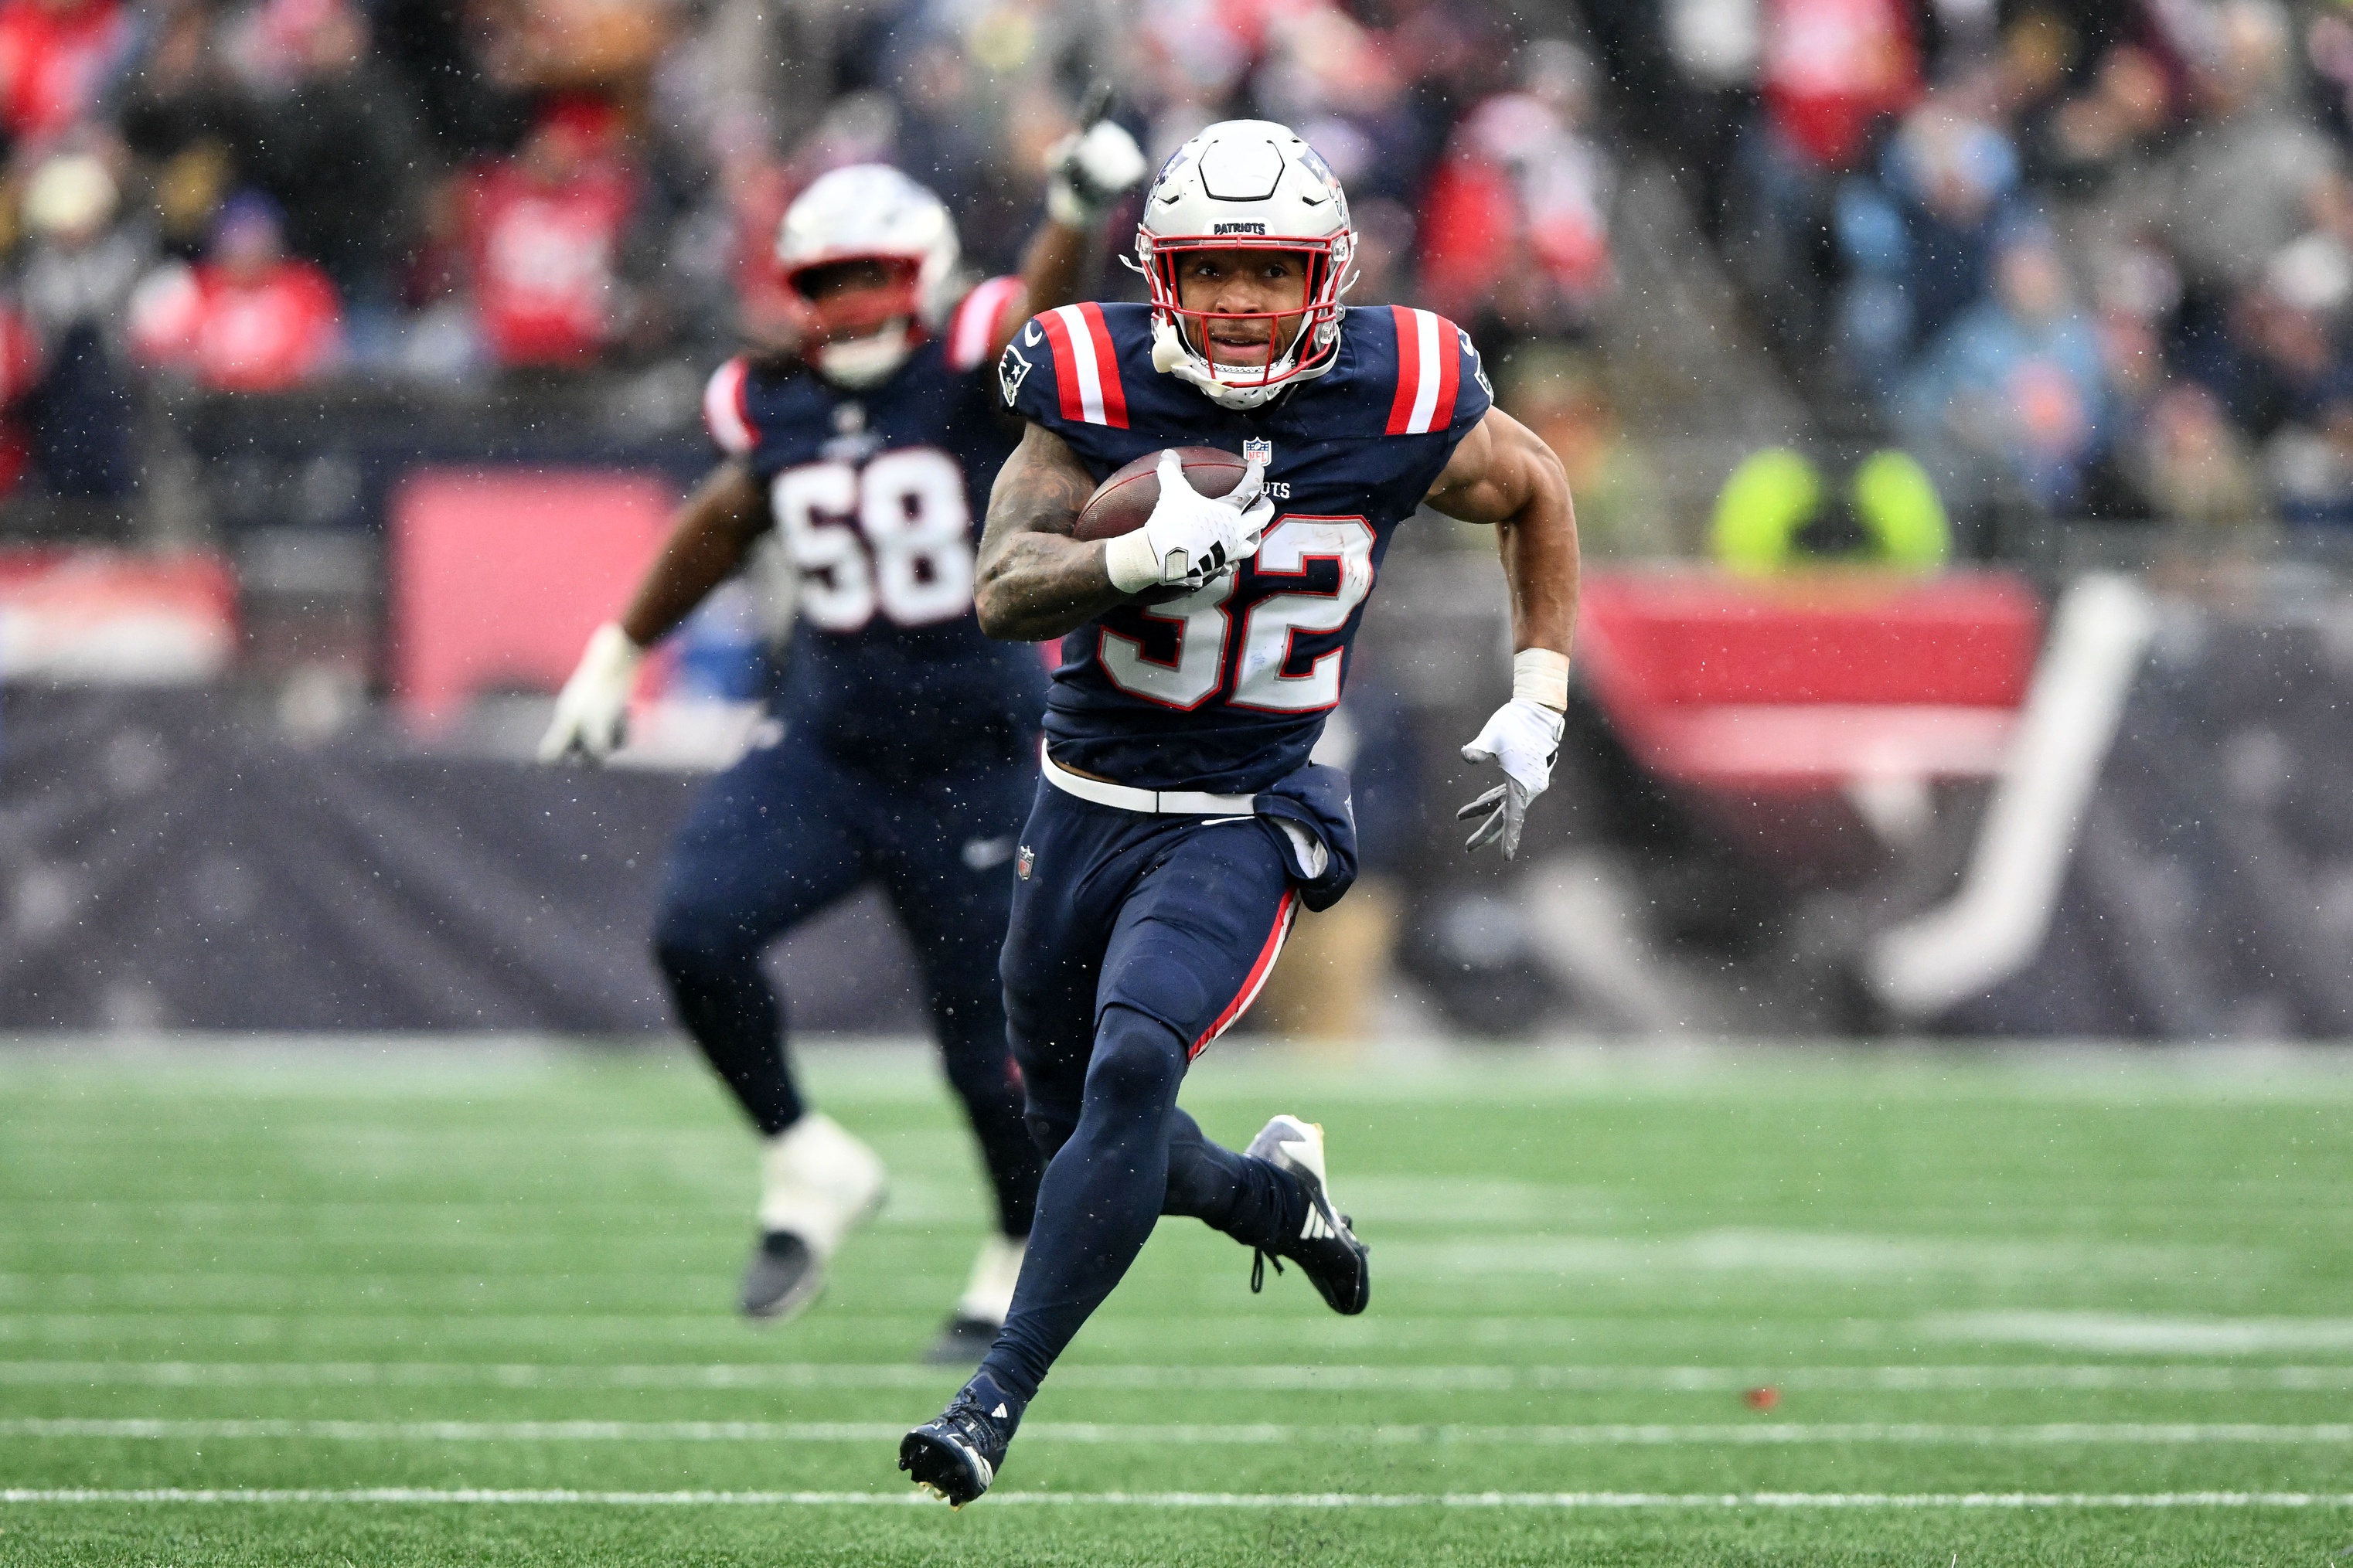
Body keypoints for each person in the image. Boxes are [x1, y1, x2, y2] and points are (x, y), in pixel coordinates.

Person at [900, 118, 1579, 1504]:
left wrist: (1541, 689)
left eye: (1271, 271)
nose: (1240, 301)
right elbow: (1001, 583)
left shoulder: (1402, 386)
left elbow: (1534, 486)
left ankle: (991, 1403)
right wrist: (1138, 555)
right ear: (1163, 273)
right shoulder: (1091, 374)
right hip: (1080, 803)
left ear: (1325, 277)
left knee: (1138, 1070)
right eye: (1211, 268)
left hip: (1245, 807)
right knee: (1089, 1124)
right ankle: (1277, 1200)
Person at [538, 119, 1149, 1362]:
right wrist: (618, 646)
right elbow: (724, 519)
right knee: (697, 929)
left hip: (979, 752)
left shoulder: (977, 369)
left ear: (920, 280)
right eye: (827, 282)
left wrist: (1074, 211)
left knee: (988, 1048)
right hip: (831, 740)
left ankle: (1015, 1241)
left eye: (874, 276)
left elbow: (1040, 303)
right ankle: (806, 1159)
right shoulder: (775, 399)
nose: (852, 302)